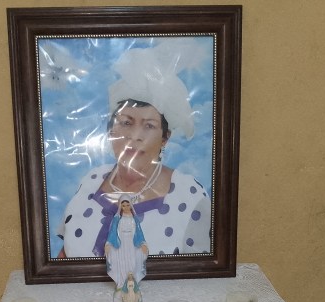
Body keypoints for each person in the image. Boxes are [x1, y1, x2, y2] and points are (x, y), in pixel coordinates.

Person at [56, 40, 211, 258]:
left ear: (165, 138)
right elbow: (63, 258)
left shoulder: (189, 195)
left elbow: (203, 271)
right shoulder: (91, 180)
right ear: (111, 130)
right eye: (126, 123)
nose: (135, 136)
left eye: (149, 126)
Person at [105, 196, 147, 302]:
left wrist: (142, 244)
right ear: (120, 206)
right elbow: (113, 232)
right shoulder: (117, 219)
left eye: (128, 205)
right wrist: (109, 243)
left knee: (132, 263)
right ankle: (121, 286)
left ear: (131, 205)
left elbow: (139, 232)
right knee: (122, 263)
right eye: (123, 205)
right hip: (121, 244)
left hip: (132, 244)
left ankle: (133, 285)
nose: (126, 207)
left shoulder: (134, 219)